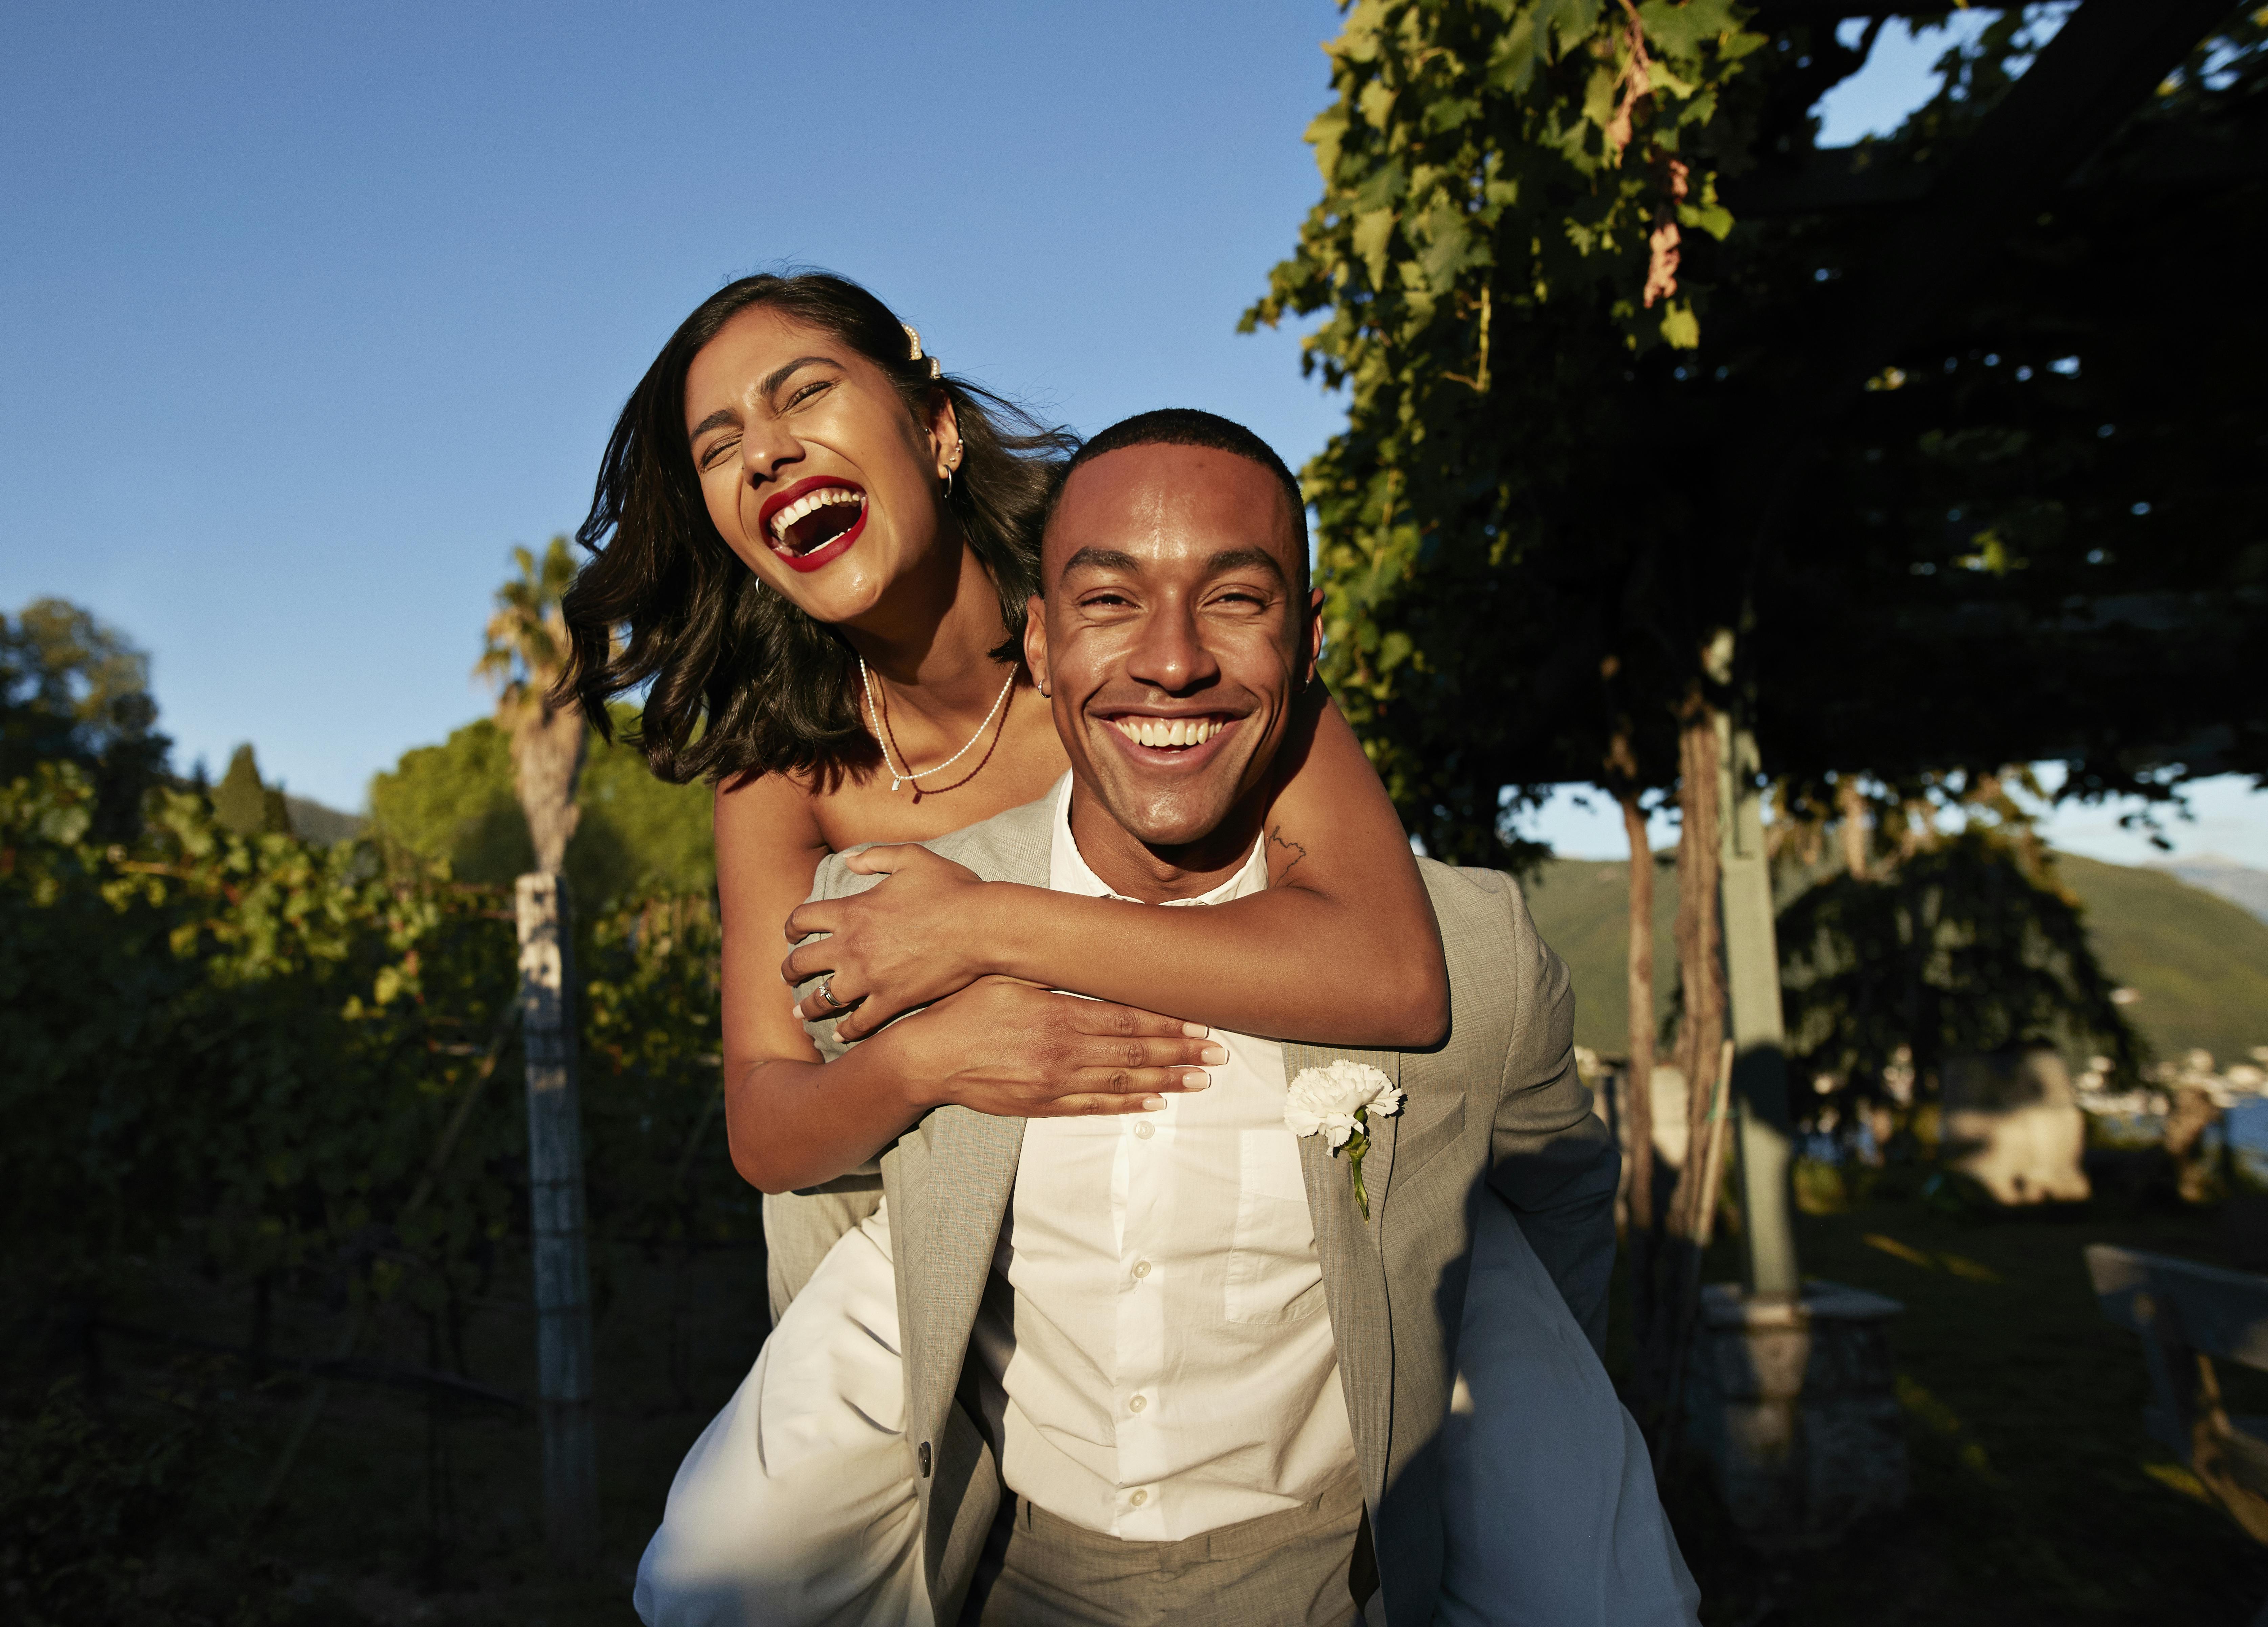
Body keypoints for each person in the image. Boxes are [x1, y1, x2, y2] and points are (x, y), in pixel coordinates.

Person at [558, 276, 1693, 1623]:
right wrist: (932, 1052)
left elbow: (1393, 970)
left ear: (933, 428)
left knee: (1547, 1497)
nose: (767, 450)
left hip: (1274, 1137)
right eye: (720, 444)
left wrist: (981, 925)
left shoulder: (1143, 615)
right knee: (732, 1562)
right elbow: (770, 1124)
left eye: (805, 392)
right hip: (956, 1204)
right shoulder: (779, 772)